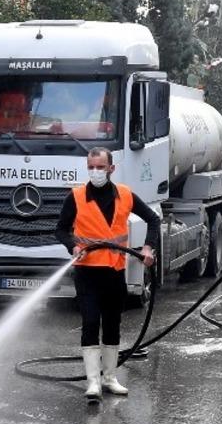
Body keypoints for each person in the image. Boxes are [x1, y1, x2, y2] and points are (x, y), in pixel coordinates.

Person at [56, 147, 161, 402]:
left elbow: (153, 219)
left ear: (111, 169)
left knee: (112, 323)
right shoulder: (77, 196)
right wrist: (73, 246)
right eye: (91, 167)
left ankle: (110, 377)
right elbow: (60, 230)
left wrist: (148, 248)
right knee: (91, 322)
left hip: (115, 271)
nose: (95, 172)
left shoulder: (125, 195)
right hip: (87, 271)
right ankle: (93, 382)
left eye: (100, 167)